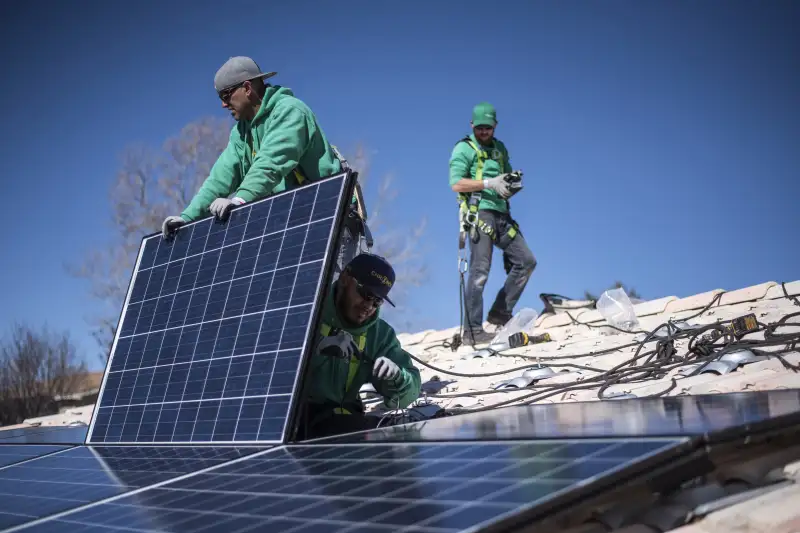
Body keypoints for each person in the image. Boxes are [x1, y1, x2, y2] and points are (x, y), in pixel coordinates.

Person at [161, 56, 367, 270]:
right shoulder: (241, 134)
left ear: (247, 88)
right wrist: (187, 218)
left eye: (225, 95)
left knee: (334, 294)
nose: (223, 104)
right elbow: (219, 179)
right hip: (295, 225)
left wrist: (240, 199)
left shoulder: (290, 111)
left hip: (332, 219)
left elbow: (271, 163)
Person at [297, 253, 422, 440]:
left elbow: (407, 395)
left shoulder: (379, 335)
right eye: (366, 294)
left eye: (377, 300)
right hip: (296, 421)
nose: (369, 306)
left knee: (399, 435)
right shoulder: (304, 313)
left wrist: (398, 378)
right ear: (345, 278)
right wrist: (316, 350)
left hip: (345, 421)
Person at [449, 102, 537, 346]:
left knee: (526, 261)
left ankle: (500, 311)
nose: (484, 132)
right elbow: (456, 183)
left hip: (502, 215)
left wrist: (510, 184)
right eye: (480, 128)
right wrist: (489, 183)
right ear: (472, 126)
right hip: (480, 215)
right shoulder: (464, 149)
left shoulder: (500, 149)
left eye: (488, 128)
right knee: (479, 273)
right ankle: (472, 331)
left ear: (495, 126)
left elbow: (505, 178)